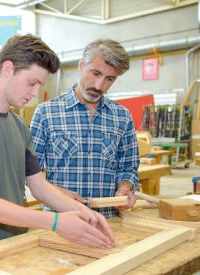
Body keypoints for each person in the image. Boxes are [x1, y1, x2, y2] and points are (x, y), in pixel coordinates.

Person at [0, 34, 115, 258]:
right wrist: (55, 222)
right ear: (7, 69)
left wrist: (85, 214)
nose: (35, 93)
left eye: (39, 85)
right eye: (32, 83)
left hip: (15, 245)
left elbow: (39, 186)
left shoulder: (18, 125)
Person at [30, 39, 139, 218]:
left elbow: (128, 166)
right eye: (95, 73)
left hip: (109, 220)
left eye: (109, 79)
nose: (99, 86)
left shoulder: (122, 116)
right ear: (81, 65)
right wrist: (56, 194)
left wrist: (125, 188)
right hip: (61, 220)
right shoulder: (46, 113)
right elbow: (29, 172)